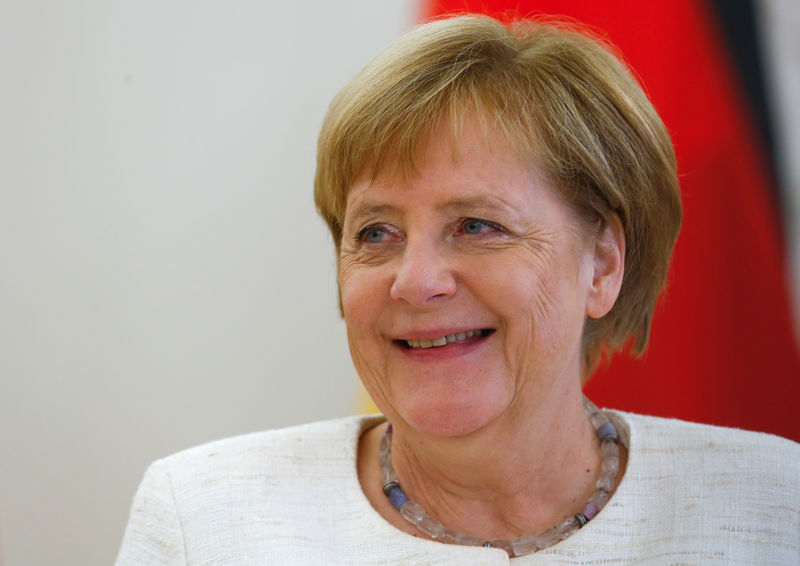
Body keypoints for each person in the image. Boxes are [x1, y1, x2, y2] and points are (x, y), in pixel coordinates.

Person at [115, 14, 800, 565]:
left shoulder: (770, 505)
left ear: (601, 264)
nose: (415, 281)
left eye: (476, 225)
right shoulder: (203, 519)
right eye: (376, 234)